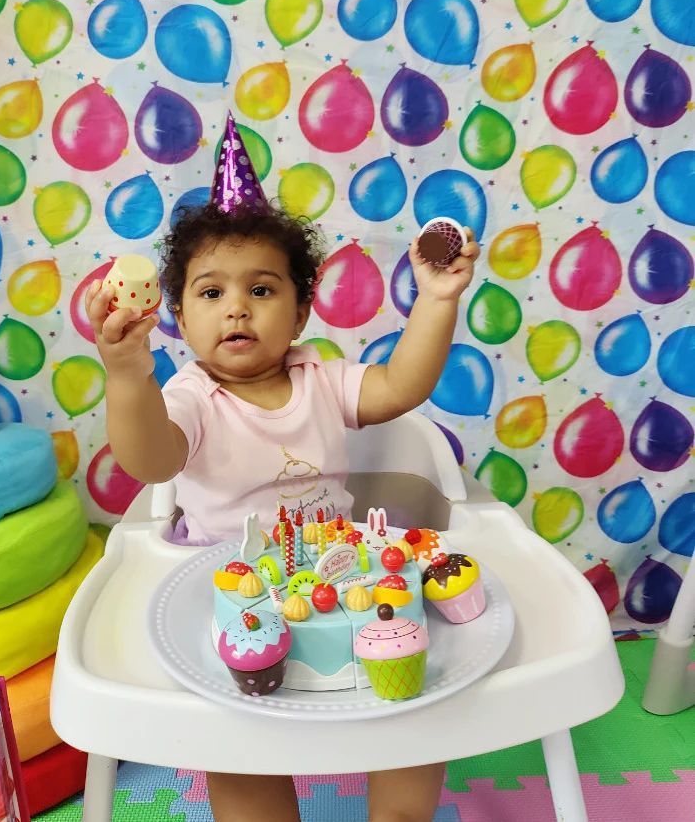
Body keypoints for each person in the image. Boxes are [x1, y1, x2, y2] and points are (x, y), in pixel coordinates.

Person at [85, 121, 480, 822]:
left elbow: (401, 387)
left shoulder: (323, 381)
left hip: (342, 584)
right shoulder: (189, 398)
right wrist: (126, 372)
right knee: (239, 749)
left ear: (301, 311)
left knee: (415, 707)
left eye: (262, 290)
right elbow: (151, 459)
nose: (236, 306)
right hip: (234, 597)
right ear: (176, 315)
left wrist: (436, 301)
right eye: (210, 293)